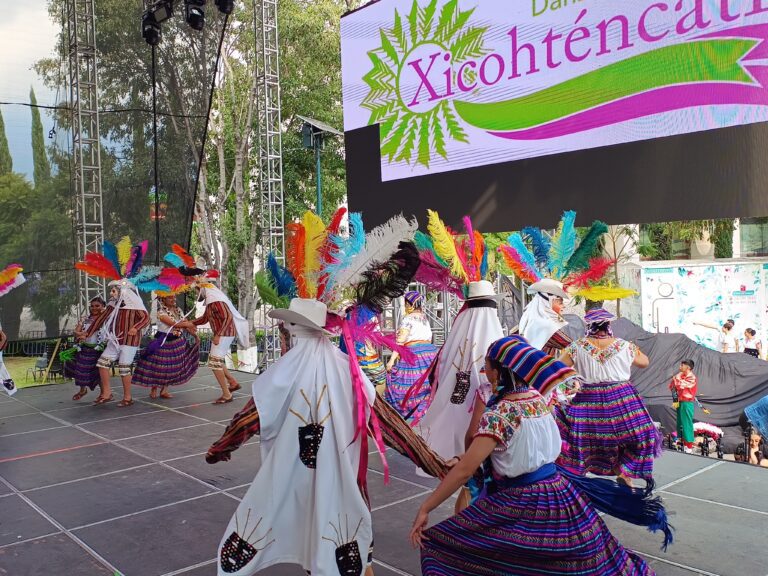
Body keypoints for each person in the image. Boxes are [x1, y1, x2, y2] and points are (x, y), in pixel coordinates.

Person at [207, 298, 447, 576]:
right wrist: (435, 463)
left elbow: (249, 419)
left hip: (298, 484)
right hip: (346, 483)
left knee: (321, 548)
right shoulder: (349, 371)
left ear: (293, 328)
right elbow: (393, 428)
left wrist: (220, 448)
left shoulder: (282, 374)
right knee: (351, 551)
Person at [410, 336, 660, 575]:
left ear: (499, 372)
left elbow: (465, 470)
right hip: (561, 494)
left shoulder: (501, 414)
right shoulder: (539, 401)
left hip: (524, 502)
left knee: (451, 548)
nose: (485, 374)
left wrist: (426, 507)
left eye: (487, 369)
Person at [557, 308, 659, 488]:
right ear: (608, 325)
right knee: (642, 435)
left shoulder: (577, 346)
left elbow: (558, 367)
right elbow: (644, 362)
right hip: (622, 399)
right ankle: (625, 471)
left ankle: (580, 480)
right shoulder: (624, 345)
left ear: (589, 325)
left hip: (589, 400)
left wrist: (575, 374)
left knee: (583, 440)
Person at [86, 280, 151, 406]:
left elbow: (146, 318)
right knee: (102, 363)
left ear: (124, 291)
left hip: (129, 341)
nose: (112, 293)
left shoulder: (134, 303)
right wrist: (87, 333)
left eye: (115, 290)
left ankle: (128, 398)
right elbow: (101, 318)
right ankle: (107, 393)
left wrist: (135, 328)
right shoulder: (113, 304)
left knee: (123, 368)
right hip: (115, 340)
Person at [132, 292, 200, 399]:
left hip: (177, 343)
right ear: (163, 300)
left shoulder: (179, 311)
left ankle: (164, 390)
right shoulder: (161, 312)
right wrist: (189, 323)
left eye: (174, 297)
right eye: (170, 297)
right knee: (159, 367)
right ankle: (154, 388)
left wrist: (195, 335)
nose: (173, 299)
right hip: (163, 342)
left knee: (172, 368)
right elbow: (175, 324)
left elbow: (185, 325)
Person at [192, 280, 249, 404]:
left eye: (197, 290)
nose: (197, 293)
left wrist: (218, 334)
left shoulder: (216, 301)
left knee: (214, 362)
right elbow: (204, 319)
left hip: (224, 334)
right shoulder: (212, 301)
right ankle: (232, 383)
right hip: (224, 334)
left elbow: (228, 317)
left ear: (203, 289)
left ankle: (226, 394)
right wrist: (189, 323)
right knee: (216, 360)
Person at [384, 291, 437, 421]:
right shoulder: (425, 319)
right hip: (430, 355)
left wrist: (391, 361)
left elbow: (400, 342)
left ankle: (410, 415)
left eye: (407, 303)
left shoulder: (407, 319)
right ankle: (425, 412)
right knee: (427, 385)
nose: (406, 306)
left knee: (410, 386)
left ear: (410, 304)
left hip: (414, 356)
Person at [517, 278, 572, 355]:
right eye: (560, 303)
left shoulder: (529, 318)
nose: (563, 306)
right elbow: (573, 347)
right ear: (548, 304)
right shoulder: (548, 326)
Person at [69, 296, 107, 401]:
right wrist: (81, 334)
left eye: (97, 306)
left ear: (103, 306)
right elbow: (76, 332)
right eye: (92, 306)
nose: (94, 308)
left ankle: (104, 393)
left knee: (98, 373)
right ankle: (82, 390)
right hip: (85, 348)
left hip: (98, 350)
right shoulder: (86, 318)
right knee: (80, 370)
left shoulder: (106, 319)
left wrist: (83, 334)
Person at [669, 359, 698, 454]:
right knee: (680, 423)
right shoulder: (680, 376)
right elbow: (672, 387)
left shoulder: (692, 377)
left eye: (683, 365)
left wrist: (676, 378)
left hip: (687, 403)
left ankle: (689, 446)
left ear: (688, 367)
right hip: (679, 401)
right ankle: (682, 443)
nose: (680, 366)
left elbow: (680, 386)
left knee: (686, 423)